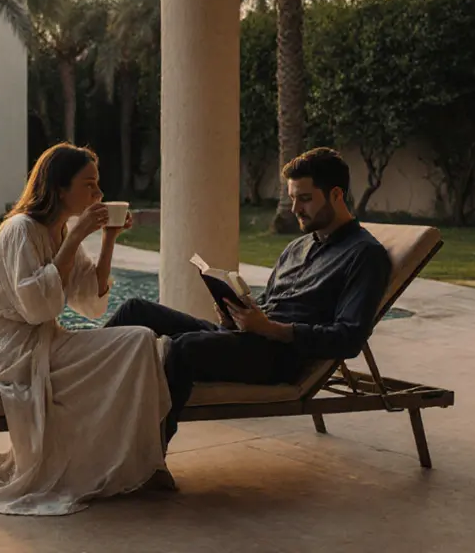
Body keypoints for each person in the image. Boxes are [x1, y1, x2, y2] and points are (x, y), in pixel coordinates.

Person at [105, 147, 392, 445]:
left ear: (336, 195)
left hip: (280, 358)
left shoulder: (365, 255)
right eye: (292, 198)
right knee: (134, 310)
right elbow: (268, 304)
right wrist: (236, 316)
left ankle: (145, 459)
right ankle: (69, 394)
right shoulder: (298, 247)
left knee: (183, 348)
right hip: (249, 339)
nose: (295, 209)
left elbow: (349, 337)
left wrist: (270, 329)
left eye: (305, 199)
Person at [0, 143, 174, 516]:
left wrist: (108, 238)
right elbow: (36, 308)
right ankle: (129, 463)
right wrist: (78, 235)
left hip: (44, 341)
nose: (98, 194)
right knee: (139, 340)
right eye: (89, 185)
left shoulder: (61, 232)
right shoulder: (20, 231)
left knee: (142, 343)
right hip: (7, 348)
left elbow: (89, 300)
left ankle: (138, 461)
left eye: (98, 186)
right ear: (60, 188)